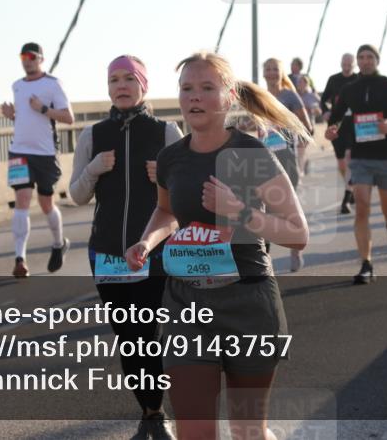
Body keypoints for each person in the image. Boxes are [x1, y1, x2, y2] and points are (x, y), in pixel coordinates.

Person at [125, 51, 309, 440]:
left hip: (248, 302)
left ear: (229, 97)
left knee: (247, 432)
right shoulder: (171, 158)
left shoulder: (250, 154)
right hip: (186, 304)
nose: (194, 96)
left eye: (207, 88)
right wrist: (146, 241)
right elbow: (166, 211)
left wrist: (240, 211)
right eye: (187, 88)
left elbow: (297, 233)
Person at [68, 55, 180, 439]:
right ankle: (149, 411)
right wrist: (94, 168)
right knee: (127, 337)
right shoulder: (92, 135)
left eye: (129, 78)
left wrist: (163, 176)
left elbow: (186, 193)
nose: (121, 85)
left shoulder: (166, 132)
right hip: (107, 252)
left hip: (153, 251)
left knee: (148, 333)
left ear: (143, 85)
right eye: (114, 79)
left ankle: (157, 412)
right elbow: (77, 195)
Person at [325, 44, 387, 284]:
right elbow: (335, 117)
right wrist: (331, 129)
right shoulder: (350, 89)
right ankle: (366, 264)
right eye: (361, 57)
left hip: (386, 156)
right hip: (360, 158)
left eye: (370, 57)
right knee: (361, 209)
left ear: (377, 60)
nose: (365, 61)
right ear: (357, 61)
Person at [0, 42, 74, 278]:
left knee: (45, 203)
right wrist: (12, 115)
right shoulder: (17, 86)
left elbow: (69, 118)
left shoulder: (53, 84)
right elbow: (24, 120)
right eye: (23, 56)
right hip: (19, 152)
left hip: (45, 153)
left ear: (41, 59)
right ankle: (19, 259)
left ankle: (58, 243)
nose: (27, 61)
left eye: (31, 56)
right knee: (21, 200)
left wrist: (43, 109)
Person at [263, 58, 312, 272]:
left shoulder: (289, 96)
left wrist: (288, 129)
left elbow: (307, 126)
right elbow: (249, 123)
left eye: (275, 69)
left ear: (281, 73)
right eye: (268, 69)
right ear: (263, 73)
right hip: (263, 159)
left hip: (286, 157)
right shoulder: (258, 96)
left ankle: (295, 249)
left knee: (288, 207)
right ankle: (264, 257)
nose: (272, 73)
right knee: (263, 207)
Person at [319, 53, 359, 214]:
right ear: (341, 63)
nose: (347, 66)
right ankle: (351, 186)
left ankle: (346, 199)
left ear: (354, 65)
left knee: (349, 157)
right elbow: (323, 99)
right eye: (344, 63)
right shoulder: (334, 79)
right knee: (342, 162)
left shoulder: (359, 79)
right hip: (336, 124)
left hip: (354, 124)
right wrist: (326, 111)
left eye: (350, 64)